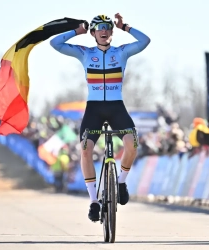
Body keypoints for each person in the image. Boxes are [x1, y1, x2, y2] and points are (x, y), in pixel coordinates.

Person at [50, 13, 151, 222]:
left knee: (132, 145)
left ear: (112, 32)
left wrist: (126, 27)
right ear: (93, 33)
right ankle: (94, 201)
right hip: (94, 109)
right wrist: (76, 32)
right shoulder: (85, 53)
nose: (104, 31)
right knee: (85, 150)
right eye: (99, 28)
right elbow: (55, 43)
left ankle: (121, 182)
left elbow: (145, 41)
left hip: (116, 108)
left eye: (107, 28)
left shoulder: (121, 52)